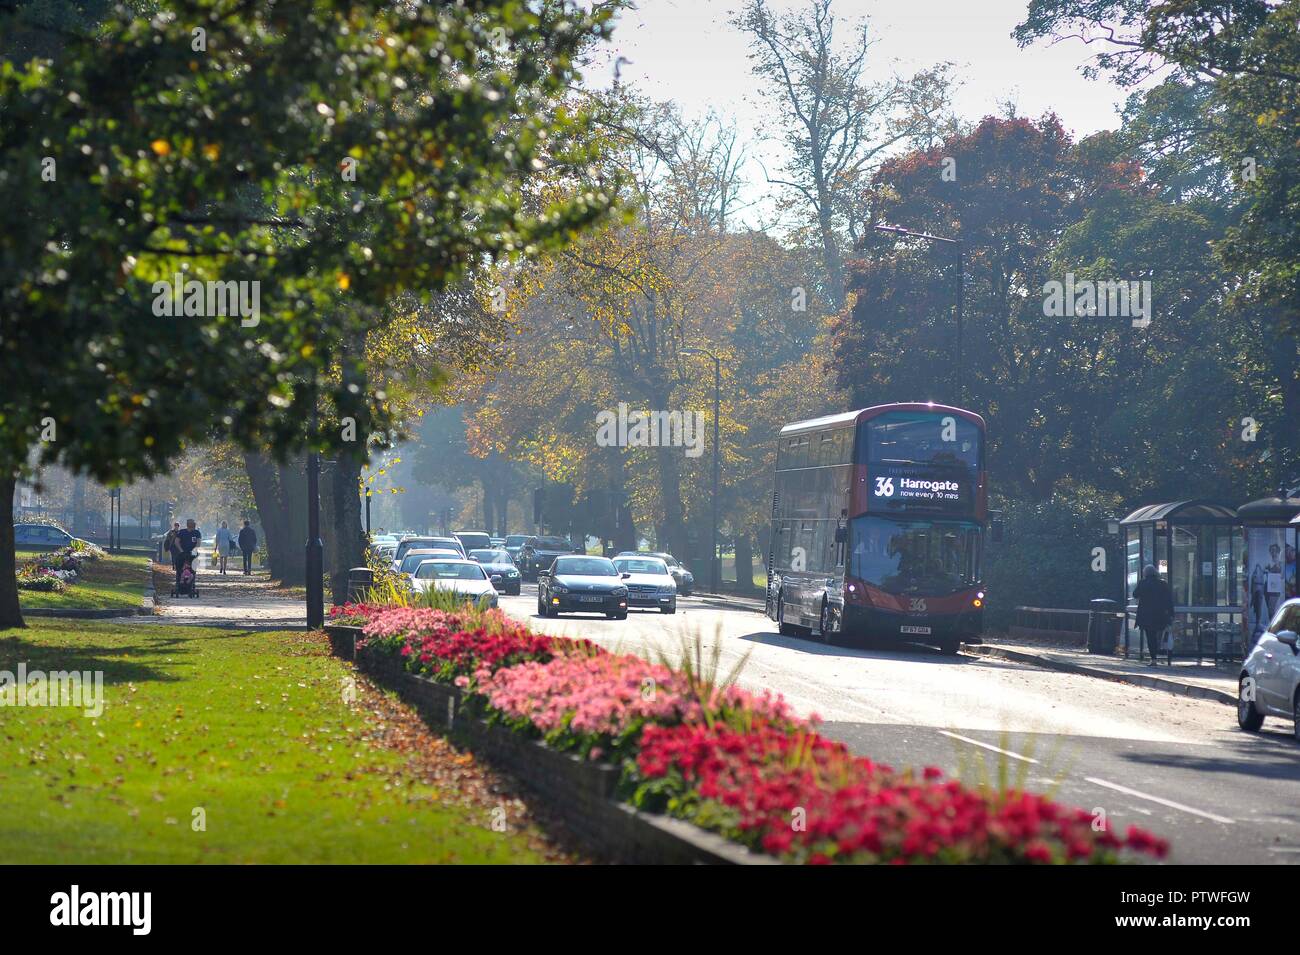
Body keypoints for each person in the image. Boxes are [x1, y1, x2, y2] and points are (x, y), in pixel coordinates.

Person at [1133, 564, 1174, 666]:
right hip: (1160, 615)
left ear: (1145, 574)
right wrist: (1171, 613)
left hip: (1146, 615)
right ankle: (1165, 655)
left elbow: (1135, 594)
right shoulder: (1162, 584)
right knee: (1160, 634)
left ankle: (1154, 658)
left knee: (1150, 636)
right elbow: (1169, 600)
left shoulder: (1143, 583)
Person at [174, 519, 202, 587]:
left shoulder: (197, 533)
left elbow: (198, 543)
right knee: (179, 567)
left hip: (192, 554)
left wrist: (194, 550)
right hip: (182, 553)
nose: (194, 526)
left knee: (193, 568)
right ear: (189, 525)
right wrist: (181, 550)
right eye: (192, 525)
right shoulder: (182, 532)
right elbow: (176, 542)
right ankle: (179, 581)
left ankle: (192, 582)